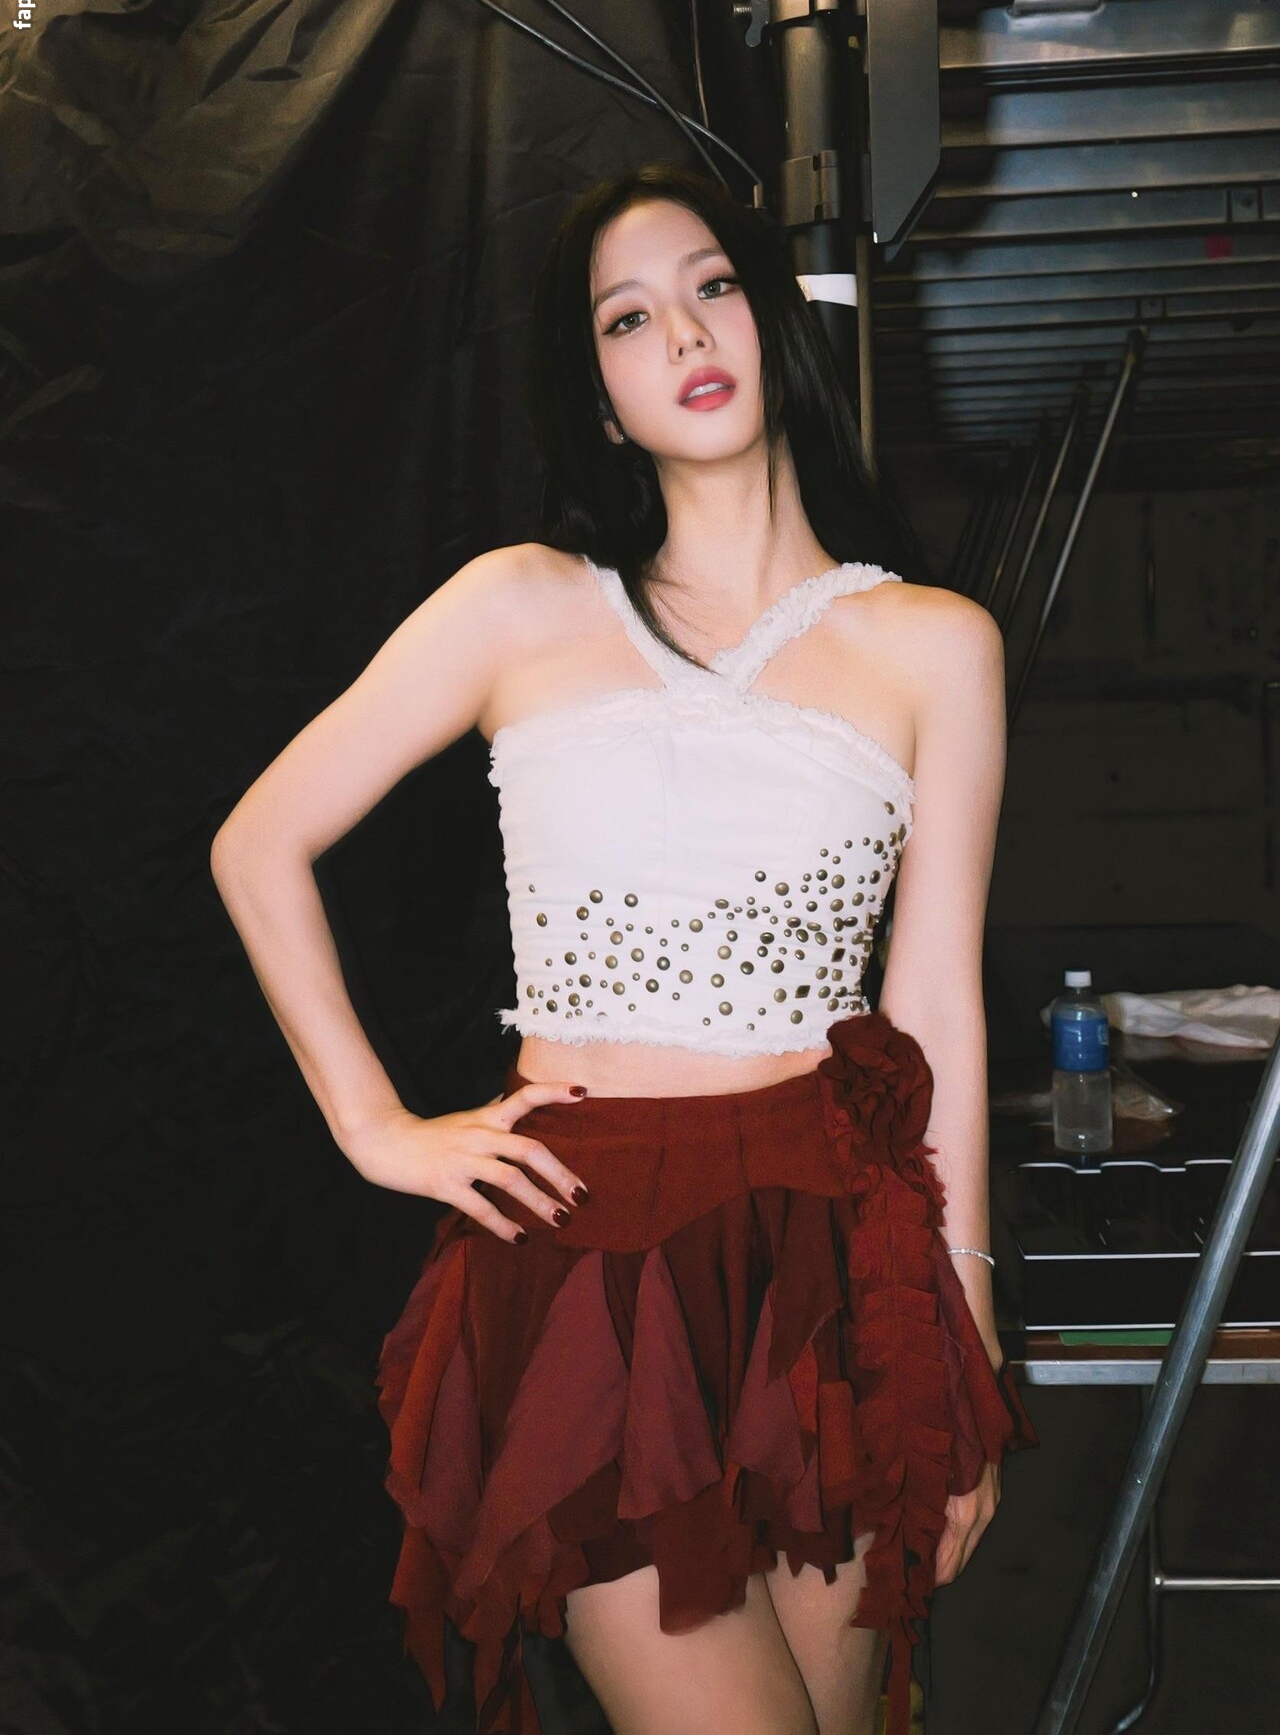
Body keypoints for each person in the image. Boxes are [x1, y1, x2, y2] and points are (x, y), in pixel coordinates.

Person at [210, 160, 1039, 1735]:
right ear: (598, 397)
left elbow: (934, 1004)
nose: (686, 333)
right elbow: (258, 843)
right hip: (588, 1252)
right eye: (629, 316)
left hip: (828, 1256)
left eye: (712, 286)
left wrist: (964, 1337)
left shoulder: (938, 645)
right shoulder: (517, 609)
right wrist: (376, 1127)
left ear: (772, 318)